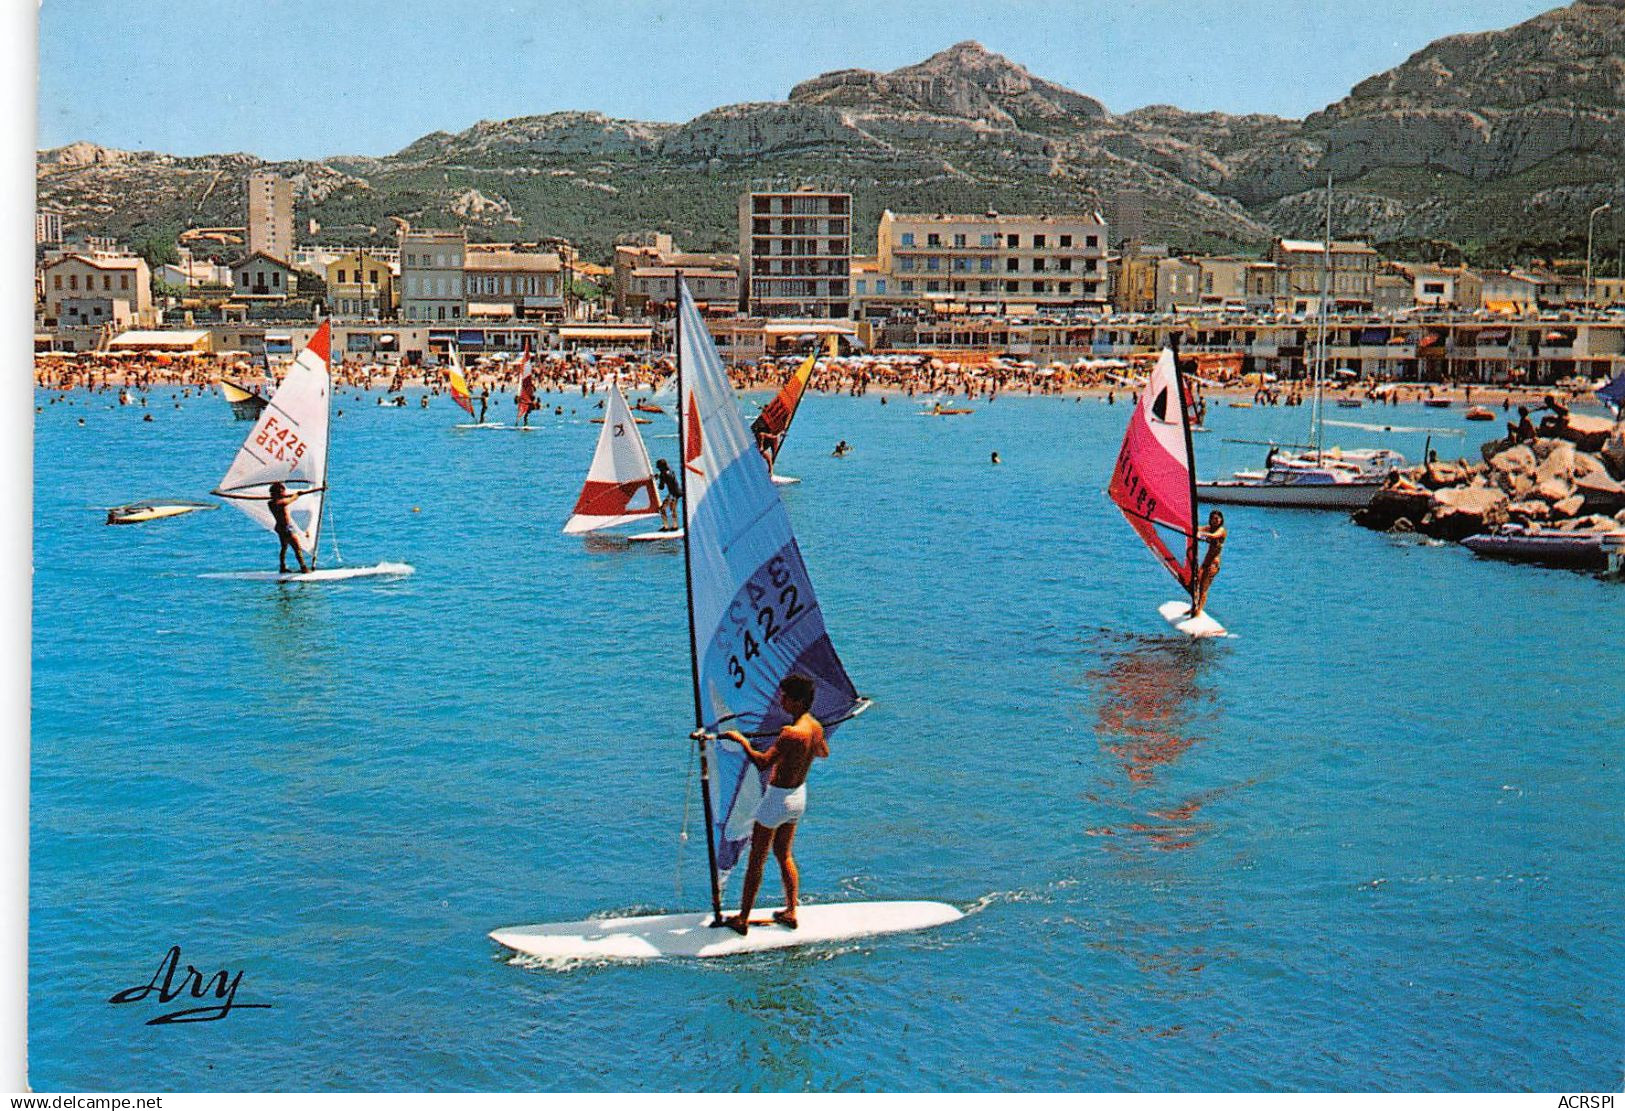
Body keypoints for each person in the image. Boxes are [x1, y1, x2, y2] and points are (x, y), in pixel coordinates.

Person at [719, 674, 827, 935]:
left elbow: (762, 763)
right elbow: (823, 752)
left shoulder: (791, 733)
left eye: (786, 698)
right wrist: (800, 752)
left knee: (757, 860)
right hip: (798, 797)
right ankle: (791, 910)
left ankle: (742, 919)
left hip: (777, 800)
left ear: (799, 701)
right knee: (784, 853)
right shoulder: (815, 727)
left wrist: (741, 741)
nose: (782, 701)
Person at [266, 481, 324, 574]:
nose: (285, 493)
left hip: (280, 528)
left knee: (284, 547)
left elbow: (285, 498)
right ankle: (303, 567)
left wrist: (291, 495)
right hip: (286, 529)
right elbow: (292, 499)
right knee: (297, 548)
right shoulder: (281, 503)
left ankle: (282, 566)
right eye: (283, 492)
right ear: (278, 493)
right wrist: (297, 494)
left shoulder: (270, 503)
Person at [1191, 509, 1226, 617]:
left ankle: (1199, 612)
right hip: (1205, 563)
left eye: (1217, 518)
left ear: (1221, 520)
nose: (1215, 520)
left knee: (1203, 588)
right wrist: (1193, 530)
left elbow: (1214, 536)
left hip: (1213, 565)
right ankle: (1194, 608)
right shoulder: (1209, 528)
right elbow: (1196, 528)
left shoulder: (1221, 530)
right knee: (1195, 584)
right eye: (1213, 518)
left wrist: (1200, 534)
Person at [654, 458, 682, 531]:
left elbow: (661, 487)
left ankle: (667, 527)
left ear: (662, 467)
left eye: (659, 467)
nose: (659, 469)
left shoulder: (663, 475)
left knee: (662, 509)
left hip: (673, 494)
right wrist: (659, 476)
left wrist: (657, 480)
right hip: (677, 492)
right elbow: (667, 476)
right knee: (672, 509)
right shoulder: (671, 471)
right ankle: (675, 526)